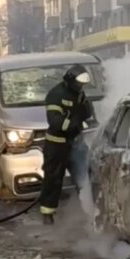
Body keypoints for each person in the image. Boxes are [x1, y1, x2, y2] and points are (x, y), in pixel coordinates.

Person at [38, 64, 94, 225]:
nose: (81, 87)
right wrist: (74, 124)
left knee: (84, 176)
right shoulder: (56, 95)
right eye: (79, 84)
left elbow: (86, 113)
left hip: (76, 144)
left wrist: (87, 110)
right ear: (70, 80)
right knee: (53, 179)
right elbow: (55, 121)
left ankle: (89, 211)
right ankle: (48, 213)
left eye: (83, 85)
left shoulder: (79, 94)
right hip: (57, 145)